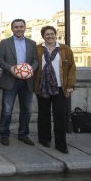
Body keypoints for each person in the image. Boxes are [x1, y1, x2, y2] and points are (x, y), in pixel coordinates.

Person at [34, 26, 76, 154]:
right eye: (47, 34)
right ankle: (44, 139)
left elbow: (72, 68)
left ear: (55, 35)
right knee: (43, 115)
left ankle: (61, 144)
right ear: (43, 36)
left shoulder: (65, 49)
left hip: (60, 87)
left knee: (60, 116)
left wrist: (69, 86)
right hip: (43, 87)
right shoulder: (38, 49)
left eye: (52, 34)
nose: (50, 36)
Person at [0, 19, 38, 146]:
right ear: (12, 28)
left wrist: (30, 69)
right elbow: (0, 60)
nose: (19, 29)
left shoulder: (32, 43)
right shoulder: (4, 43)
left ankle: (23, 134)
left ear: (25, 28)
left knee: (27, 109)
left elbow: (35, 60)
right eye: (16, 27)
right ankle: (4, 134)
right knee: (7, 110)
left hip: (27, 81)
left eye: (21, 26)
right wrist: (11, 69)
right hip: (10, 80)